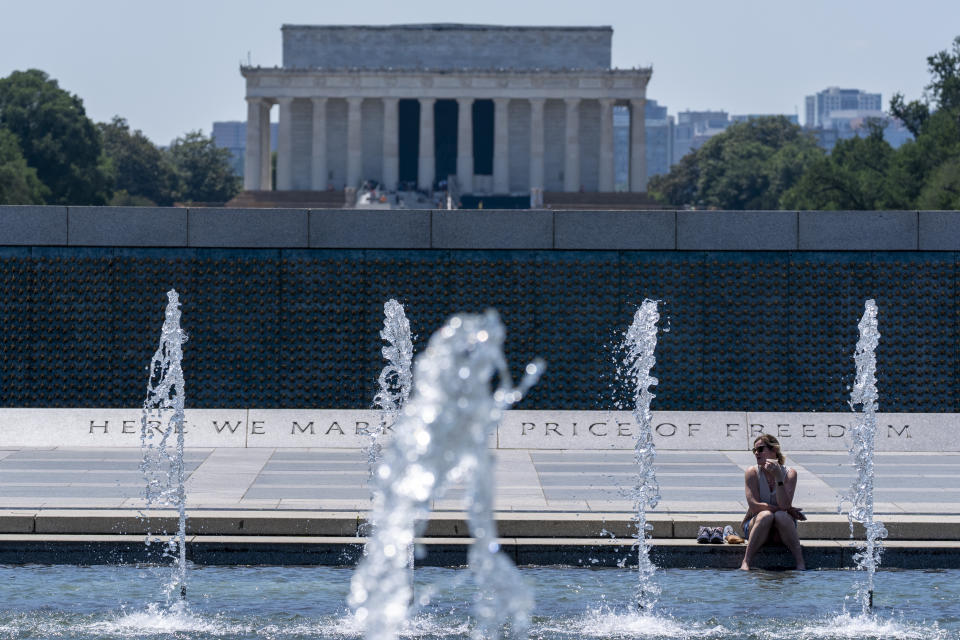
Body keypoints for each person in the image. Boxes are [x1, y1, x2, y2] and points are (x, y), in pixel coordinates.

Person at [739, 434, 806, 570]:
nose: (756, 453)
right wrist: (788, 510)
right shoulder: (751, 472)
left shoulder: (790, 474)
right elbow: (754, 506)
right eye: (755, 450)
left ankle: (800, 563)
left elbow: (784, 506)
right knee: (766, 515)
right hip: (756, 525)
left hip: (780, 530)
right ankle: (746, 561)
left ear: (774, 450)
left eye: (760, 449)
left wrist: (778, 478)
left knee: (781, 516)